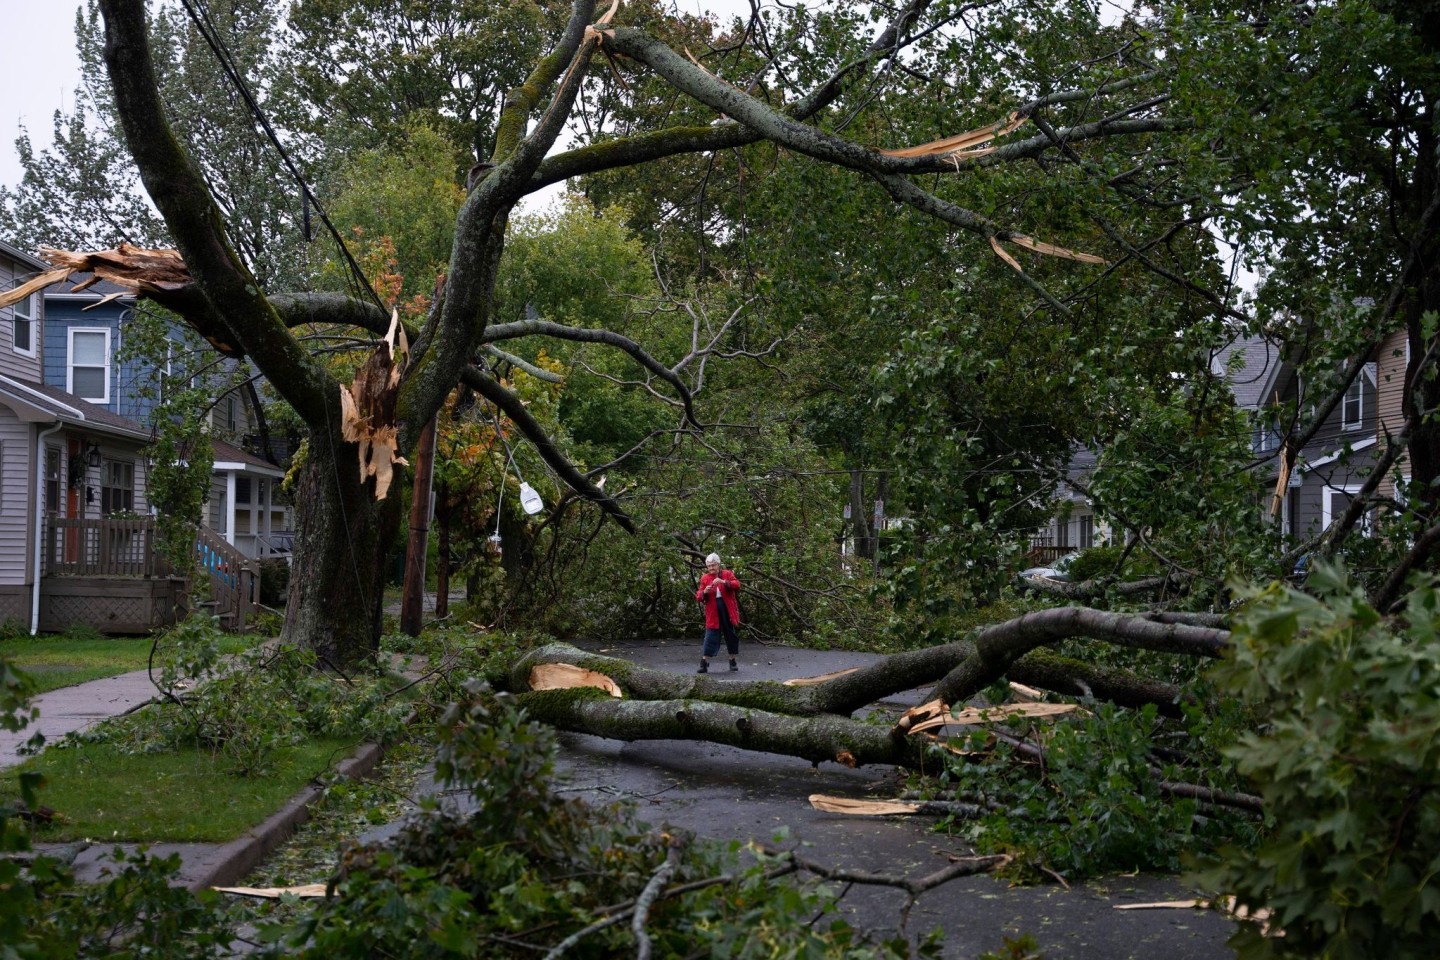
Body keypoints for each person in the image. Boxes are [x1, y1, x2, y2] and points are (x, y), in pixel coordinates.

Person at [696, 552, 742, 673]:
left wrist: (723, 582)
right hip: (713, 611)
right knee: (710, 635)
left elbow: (737, 585)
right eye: (709, 566)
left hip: (727, 609)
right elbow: (699, 596)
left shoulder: (727, 573)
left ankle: (732, 660)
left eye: (713, 565)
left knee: (730, 634)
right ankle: (704, 662)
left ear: (718, 564)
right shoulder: (705, 578)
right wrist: (704, 592)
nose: (711, 568)